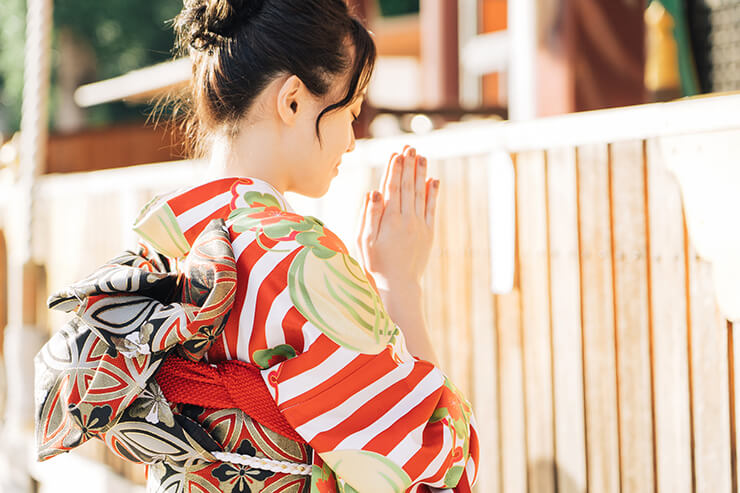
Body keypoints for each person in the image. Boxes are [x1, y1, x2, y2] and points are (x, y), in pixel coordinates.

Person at [34, 1, 480, 491]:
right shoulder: (296, 261)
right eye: (350, 112)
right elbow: (430, 472)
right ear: (292, 101)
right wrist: (400, 285)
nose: (351, 140)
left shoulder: (167, 249)